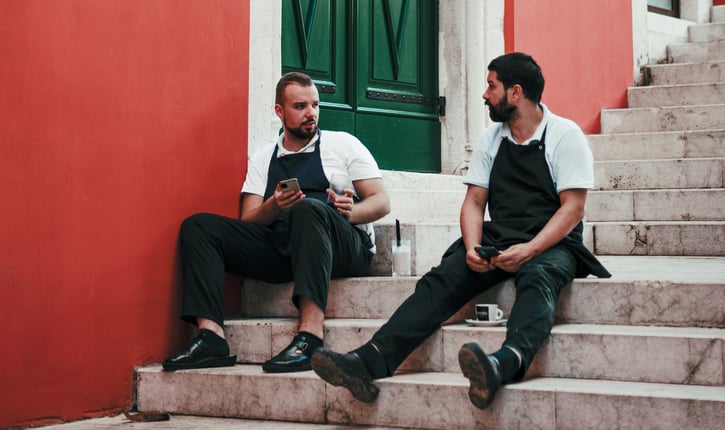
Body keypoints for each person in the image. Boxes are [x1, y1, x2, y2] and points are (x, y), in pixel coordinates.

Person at [310, 52, 611, 408]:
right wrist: (471, 247)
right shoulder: (490, 138)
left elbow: (573, 208)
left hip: (552, 241)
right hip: (499, 234)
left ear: (515, 93)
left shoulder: (565, 135)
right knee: (442, 278)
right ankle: (369, 360)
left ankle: (503, 364)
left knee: (538, 278)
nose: (485, 94)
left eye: (491, 85)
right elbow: (473, 202)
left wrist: (530, 251)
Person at [163, 71, 390, 373]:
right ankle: (211, 337)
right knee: (199, 226)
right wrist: (273, 206)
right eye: (300, 106)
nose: (311, 113)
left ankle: (310, 335)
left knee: (308, 208)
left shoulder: (343, 145)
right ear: (279, 111)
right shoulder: (263, 157)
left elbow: (381, 201)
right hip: (287, 250)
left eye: (315, 105)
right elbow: (249, 217)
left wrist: (350, 212)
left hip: (345, 248)